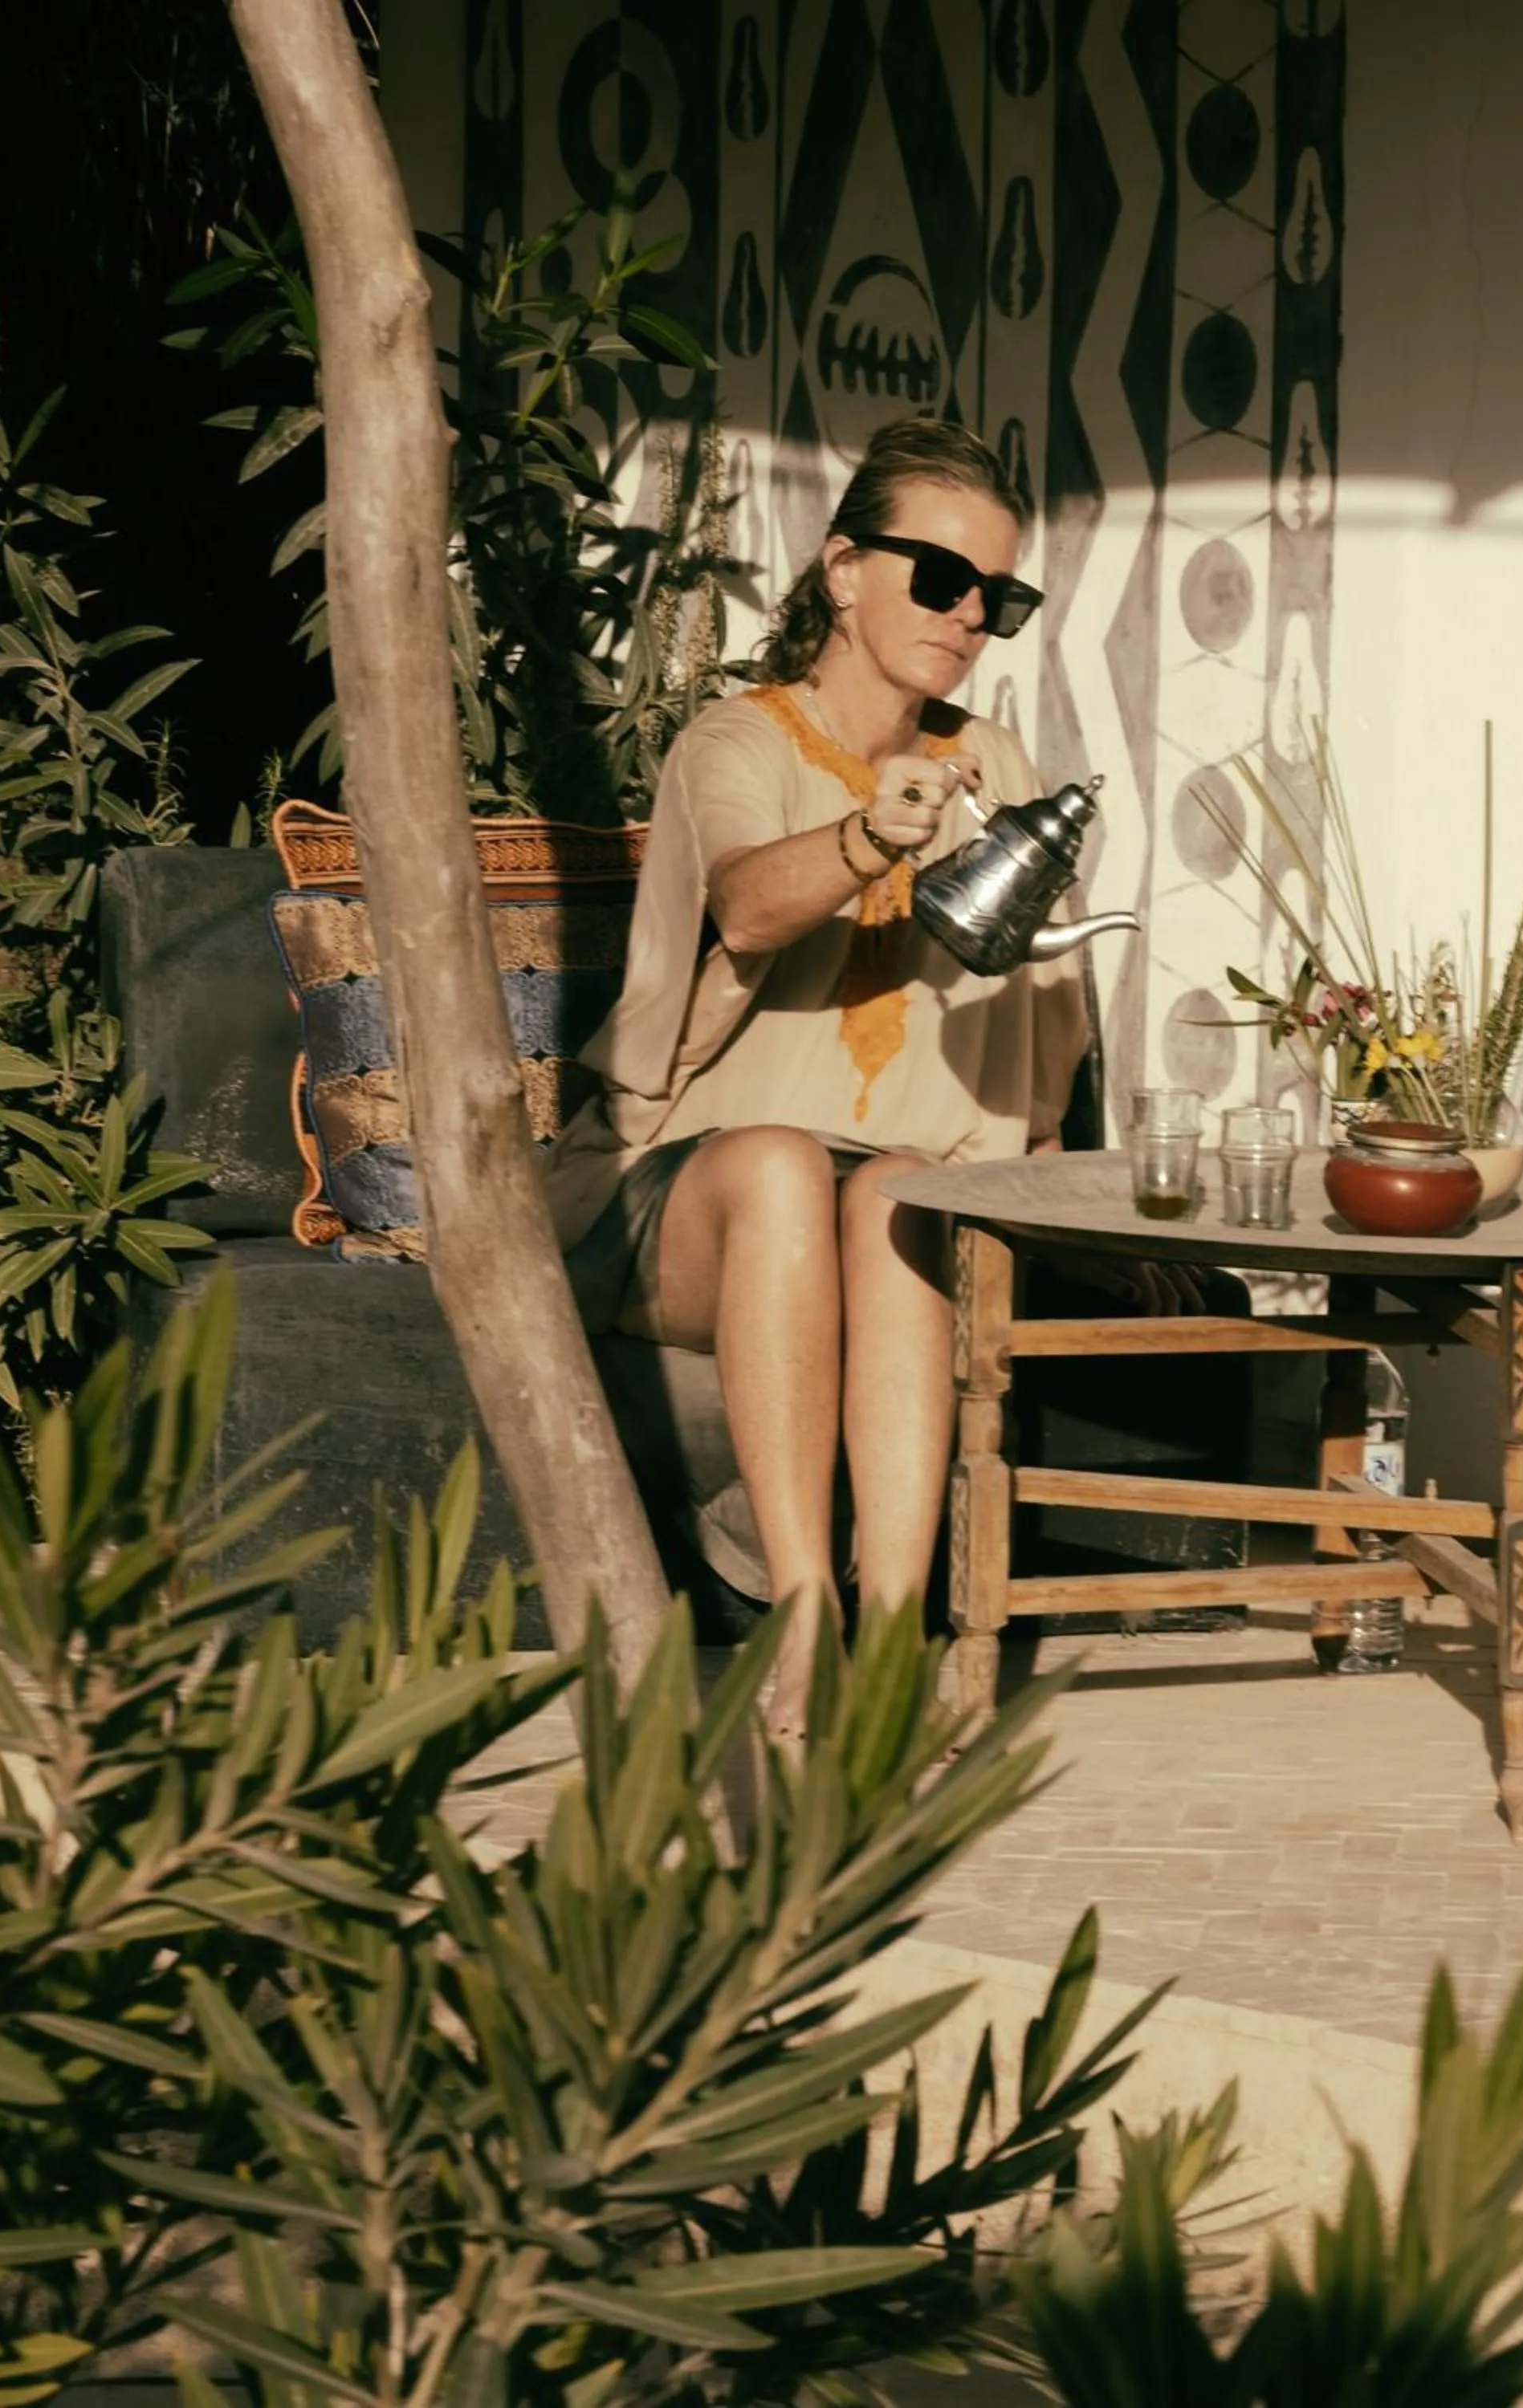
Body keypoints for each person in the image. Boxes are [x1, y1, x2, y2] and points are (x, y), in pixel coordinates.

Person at [545, 417, 1088, 1735]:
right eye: (939, 578)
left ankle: (895, 1634)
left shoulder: (994, 763)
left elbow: (1040, 1015)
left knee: (906, 1190)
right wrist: (865, 832)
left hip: (879, 1189)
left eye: (998, 598)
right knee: (789, 1164)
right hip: (677, 1191)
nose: (967, 617)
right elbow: (745, 905)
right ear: (843, 568)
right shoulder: (735, 745)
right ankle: (803, 1611)